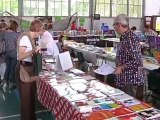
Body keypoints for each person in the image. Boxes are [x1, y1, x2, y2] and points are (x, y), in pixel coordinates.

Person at [15, 19, 44, 120]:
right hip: (23, 69)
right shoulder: (25, 38)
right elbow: (20, 56)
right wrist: (33, 51)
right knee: (26, 101)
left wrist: (35, 52)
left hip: (29, 68)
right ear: (37, 29)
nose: (42, 33)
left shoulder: (31, 38)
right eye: (41, 31)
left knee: (31, 98)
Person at [113, 14, 145, 100]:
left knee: (128, 105)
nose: (114, 28)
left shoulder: (130, 38)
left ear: (119, 25)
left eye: (114, 25)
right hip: (125, 79)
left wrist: (121, 67)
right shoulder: (125, 37)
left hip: (130, 80)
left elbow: (137, 60)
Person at [1, 21, 20, 88]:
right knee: (12, 68)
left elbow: (2, 40)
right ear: (16, 27)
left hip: (6, 53)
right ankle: (12, 83)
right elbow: (18, 44)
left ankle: (4, 81)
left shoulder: (4, 33)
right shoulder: (16, 35)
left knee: (8, 67)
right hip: (14, 53)